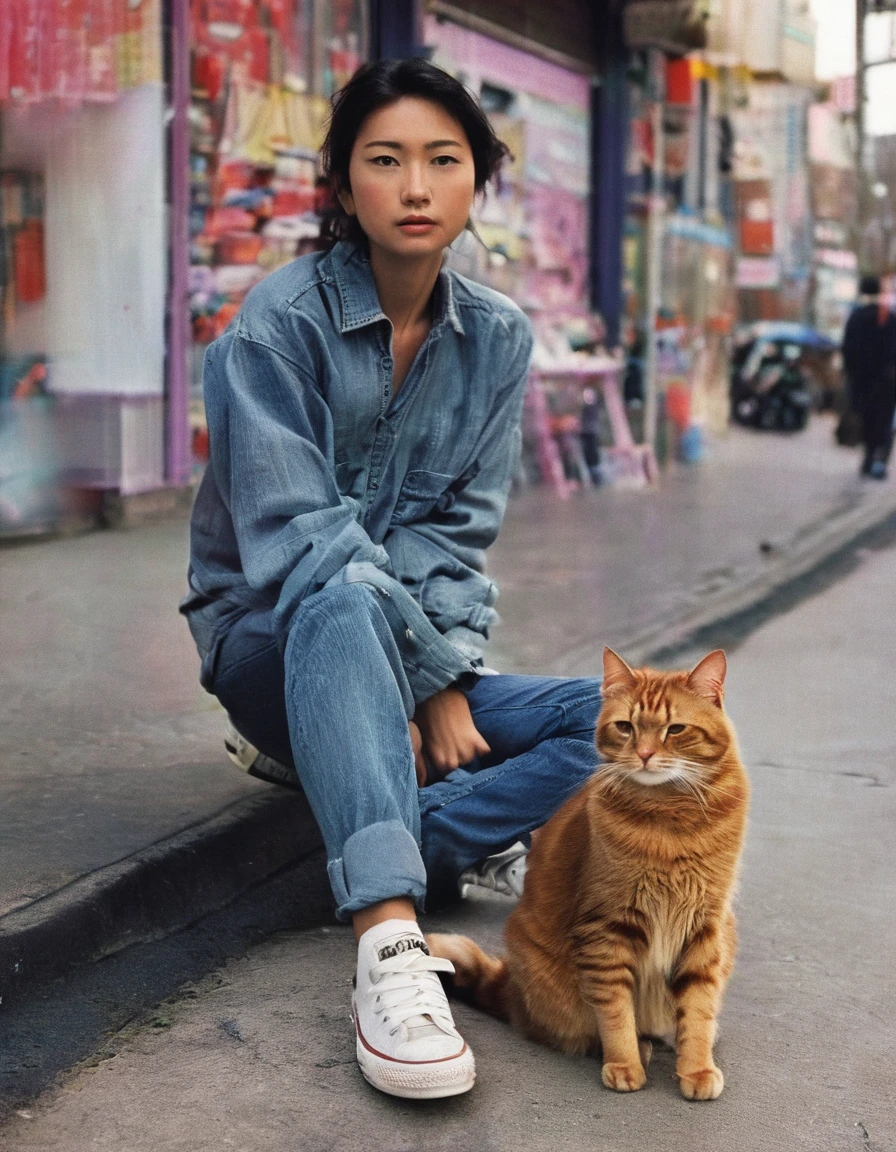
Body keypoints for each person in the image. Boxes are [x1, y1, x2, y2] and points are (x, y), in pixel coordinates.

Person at [180, 58, 601, 1101]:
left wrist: (426, 663)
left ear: (475, 182)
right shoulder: (272, 329)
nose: (414, 187)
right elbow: (295, 541)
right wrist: (432, 678)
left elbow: (454, 534)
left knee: (617, 722)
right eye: (384, 161)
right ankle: (386, 941)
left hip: (402, 642)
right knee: (334, 601)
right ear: (340, 187)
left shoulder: (496, 336)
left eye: (441, 161)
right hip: (268, 638)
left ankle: (367, 804)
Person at [842, 275, 896, 480]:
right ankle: (877, 460)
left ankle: (868, 457)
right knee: (882, 422)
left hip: (861, 381)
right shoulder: (888, 317)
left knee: (865, 418)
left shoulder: (856, 316)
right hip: (885, 382)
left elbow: (848, 349)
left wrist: (851, 373)